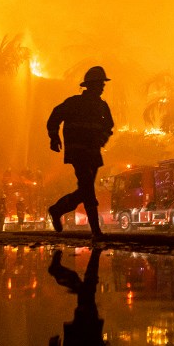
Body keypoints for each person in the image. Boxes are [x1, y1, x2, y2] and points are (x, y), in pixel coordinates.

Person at [47, 66, 114, 239]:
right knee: (88, 188)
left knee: (85, 190)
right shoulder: (73, 103)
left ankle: (57, 210)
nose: (102, 87)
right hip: (78, 153)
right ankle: (96, 231)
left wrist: (103, 139)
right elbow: (54, 117)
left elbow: (109, 126)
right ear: (90, 85)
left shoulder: (102, 106)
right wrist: (54, 137)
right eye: (100, 84)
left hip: (93, 153)